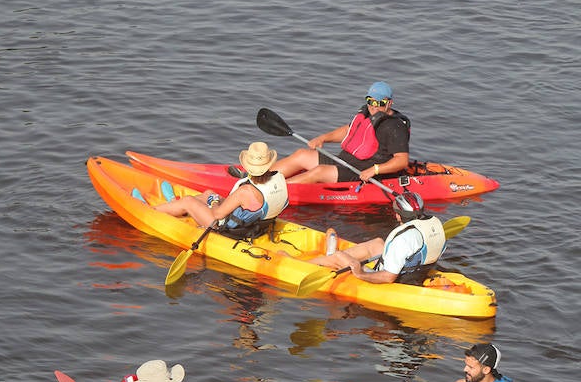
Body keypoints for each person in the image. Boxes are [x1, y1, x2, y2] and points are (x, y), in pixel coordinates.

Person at [273, 81, 410, 185]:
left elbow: (402, 161)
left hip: (363, 171)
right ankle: (258, 179)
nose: (374, 106)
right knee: (301, 155)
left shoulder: (395, 127)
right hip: (345, 160)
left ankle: (274, 191)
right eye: (370, 101)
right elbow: (349, 130)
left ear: (389, 103)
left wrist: (375, 170)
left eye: (380, 102)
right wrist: (323, 138)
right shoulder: (368, 114)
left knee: (319, 171)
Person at [151, 141, 288, 237]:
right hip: (257, 224)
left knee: (189, 201)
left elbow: (217, 215)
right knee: (208, 193)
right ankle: (175, 206)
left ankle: (153, 211)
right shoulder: (279, 178)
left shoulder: (245, 191)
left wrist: (214, 202)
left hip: (229, 229)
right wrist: (212, 197)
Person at [308, 191, 446, 284]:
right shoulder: (433, 225)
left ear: (397, 215)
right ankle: (330, 257)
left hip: (398, 280)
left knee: (338, 256)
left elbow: (388, 277)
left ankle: (305, 265)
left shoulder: (404, 238)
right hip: (417, 272)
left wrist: (360, 273)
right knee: (378, 243)